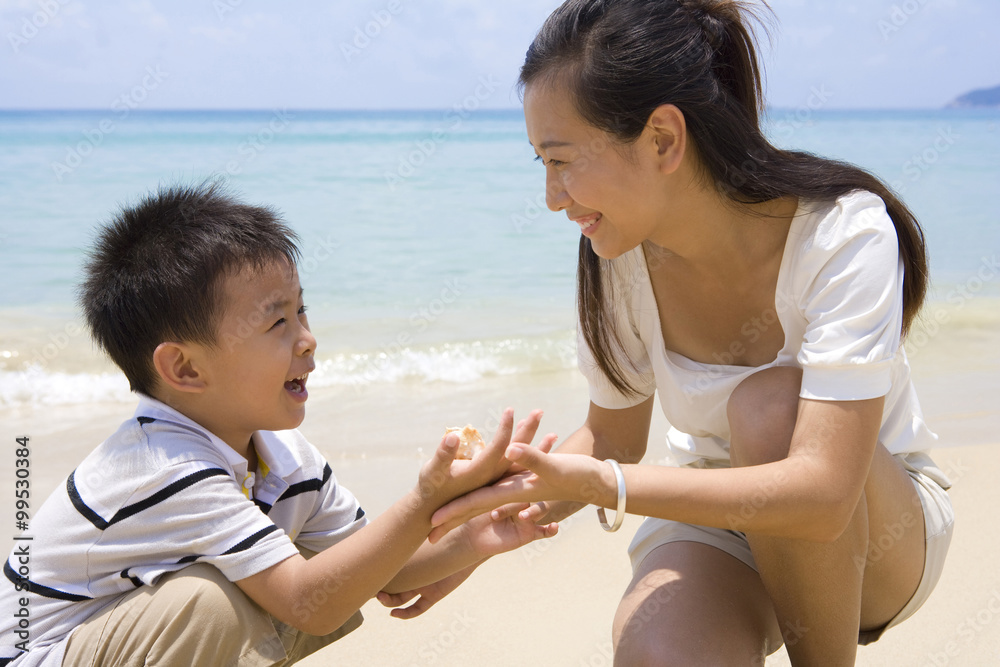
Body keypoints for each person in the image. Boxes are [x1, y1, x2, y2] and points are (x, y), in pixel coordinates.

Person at [422, 1, 955, 664]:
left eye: (561, 160)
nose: (553, 198)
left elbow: (821, 495)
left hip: (875, 529)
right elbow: (611, 436)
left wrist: (604, 485)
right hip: (719, 517)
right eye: (541, 164)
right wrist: (488, 515)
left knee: (767, 409)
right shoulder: (618, 252)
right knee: (658, 652)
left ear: (664, 140)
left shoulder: (844, 232)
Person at [0, 183, 556, 667]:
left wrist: (474, 535)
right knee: (213, 604)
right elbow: (305, 605)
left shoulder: (282, 456)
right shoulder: (162, 466)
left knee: (333, 563)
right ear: (186, 368)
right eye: (277, 322)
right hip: (37, 651)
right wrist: (422, 499)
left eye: (302, 310)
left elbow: (384, 568)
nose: (308, 338)